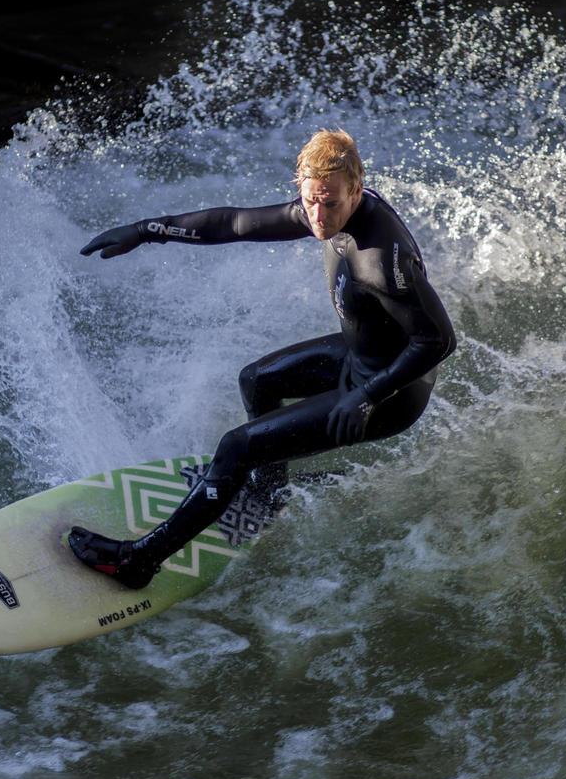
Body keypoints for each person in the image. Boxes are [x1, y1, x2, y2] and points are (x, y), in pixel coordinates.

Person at [69, 129, 456, 588]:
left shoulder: (379, 259)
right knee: (257, 381)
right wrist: (146, 230)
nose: (317, 216)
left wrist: (368, 397)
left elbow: (438, 341)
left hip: (389, 394)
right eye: (310, 201)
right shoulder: (329, 204)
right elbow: (234, 223)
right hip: (362, 356)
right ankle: (270, 490)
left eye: (330, 203)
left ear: (356, 188)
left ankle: (138, 562)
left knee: (237, 446)